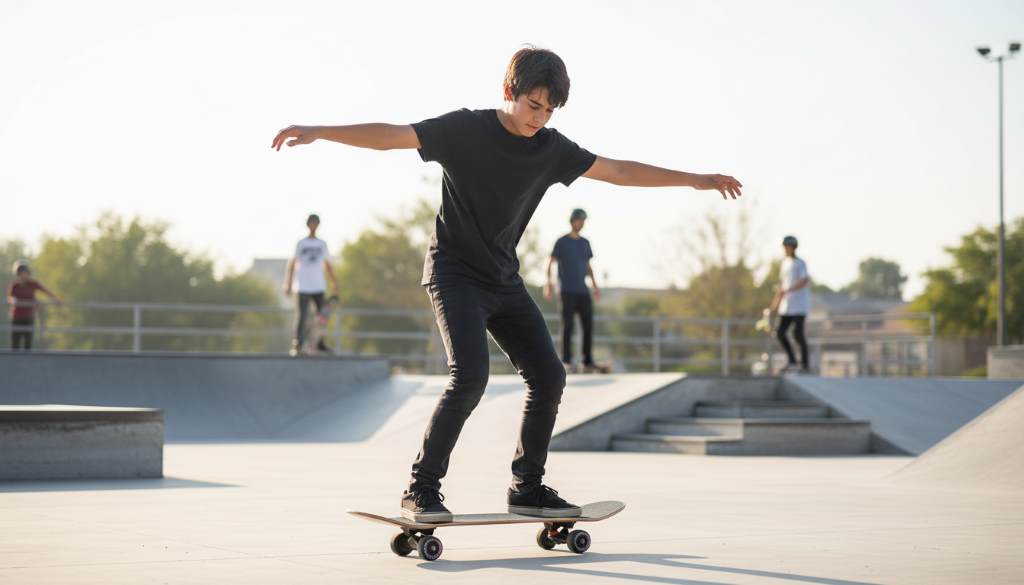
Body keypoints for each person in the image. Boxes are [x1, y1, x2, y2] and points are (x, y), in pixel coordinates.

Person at [271, 46, 742, 522]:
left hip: (503, 279)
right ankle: (421, 489)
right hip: (454, 274)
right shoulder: (465, 129)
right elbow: (394, 136)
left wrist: (694, 180)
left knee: (549, 375)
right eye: (533, 105)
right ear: (508, 91)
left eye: (549, 110)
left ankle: (527, 488)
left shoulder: (551, 148)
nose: (539, 118)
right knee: (470, 376)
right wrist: (321, 131)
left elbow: (616, 171)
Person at [544, 208, 601, 372]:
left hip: (583, 290)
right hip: (567, 290)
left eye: (583, 221)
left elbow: (588, 267)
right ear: (572, 221)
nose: (581, 224)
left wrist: (595, 287)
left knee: (588, 325)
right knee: (567, 325)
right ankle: (566, 360)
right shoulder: (562, 242)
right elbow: (550, 263)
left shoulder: (585, 243)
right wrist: (548, 284)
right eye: (579, 220)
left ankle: (587, 360)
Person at [283, 214, 339, 356]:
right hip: (302, 285)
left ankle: (319, 343)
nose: (314, 226)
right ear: (308, 225)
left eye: (316, 223)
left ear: (318, 225)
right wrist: (288, 283)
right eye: (312, 223)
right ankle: (298, 344)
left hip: (318, 285)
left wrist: (334, 282)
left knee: (323, 315)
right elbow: (292, 263)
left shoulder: (322, 244)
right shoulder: (301, 243)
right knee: (302, 315)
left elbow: (328, 264)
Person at [774, 235, 811, 373]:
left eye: (786, 246)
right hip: (786, 307)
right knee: (780, 332)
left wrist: (789, 290)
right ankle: (792, 361)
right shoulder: (784, 264)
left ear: (793, 247)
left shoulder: (800, 263)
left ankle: (805, 364)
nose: (785, 249)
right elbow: (781, 286)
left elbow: (804, 280)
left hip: (800, 306)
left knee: (797, 334)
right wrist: (775, 303)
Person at [6, 262, 61, 351]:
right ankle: (15, 362)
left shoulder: (33, 284)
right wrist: (13, 300)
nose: (24, 276)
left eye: (25, 273)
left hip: (28, 317)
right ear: (18, 274)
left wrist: (56, 299)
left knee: (28, 343)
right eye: (21, 274)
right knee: (15, 343)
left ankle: (27, 362)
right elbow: (10, 298)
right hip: (16, 318)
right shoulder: (15, 286)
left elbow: (45, 291)